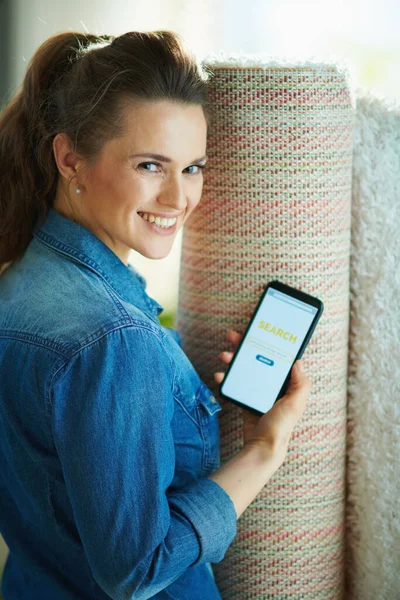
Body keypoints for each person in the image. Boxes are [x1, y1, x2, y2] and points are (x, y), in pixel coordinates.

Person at [0, 30, 312, 600]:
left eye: (193, 167)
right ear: (71, 158)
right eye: (151, 165)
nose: (178, 198)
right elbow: (139, 568)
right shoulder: (111, 336)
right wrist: (269, 447)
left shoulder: (17, 281)